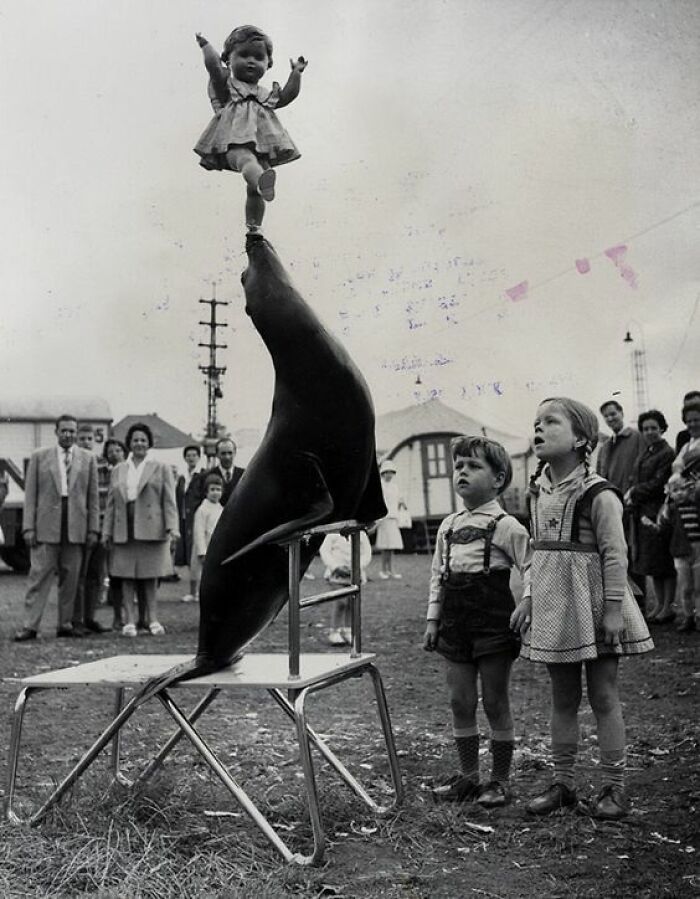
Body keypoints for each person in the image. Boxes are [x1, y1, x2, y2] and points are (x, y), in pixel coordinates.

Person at [512, 397, 653, 820]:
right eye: (536, 422)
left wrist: (613, 608)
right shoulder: (538, 492)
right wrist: (529, 597)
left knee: (604, 695)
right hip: (555, 608)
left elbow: (615, 554)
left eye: (551, 422)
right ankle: (564, 784)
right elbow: (537, 553)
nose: (539, 428)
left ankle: (615, 787)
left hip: (594, 606)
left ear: (581, 440)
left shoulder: (599, 493)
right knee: (563, 697)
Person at [424, 436, 532, 809]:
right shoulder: (448, 526)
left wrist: (528, 601)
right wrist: (433, 619)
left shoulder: (507, 525)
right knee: (460, 700)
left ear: (498, 479)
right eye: (458, 466)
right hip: (454, 623)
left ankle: (499, 781)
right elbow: (438, 575)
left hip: (493, 624)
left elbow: (532, 567)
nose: (463, 472)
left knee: (495, 701)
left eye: (473, 466)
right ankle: (469, 777)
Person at [194, 26, 307, 233]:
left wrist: (296, 73)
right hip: (233, 141)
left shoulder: (264, 94)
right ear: (228, 59)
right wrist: (205, 46)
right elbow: (213, 67)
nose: (251, 61)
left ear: (268, 63)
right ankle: (261, 182)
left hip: (260, 145)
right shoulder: (230, 86)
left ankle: (254, 229)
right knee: (246, 161)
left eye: (258, 57)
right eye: (243, 55)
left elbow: (287, 96)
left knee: (254, 189)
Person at [14, 414, 99, 641]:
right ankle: (30, 626)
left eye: (72, 431)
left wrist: (93, 529)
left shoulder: (88, 459)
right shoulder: (40, 457)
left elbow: (92, 498)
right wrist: (28, 527)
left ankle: (65, 624)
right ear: (56, 432)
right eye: (64, 430)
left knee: (71, 578)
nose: (68, 434)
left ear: (76, 433)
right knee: (39, 577)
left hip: (76, 527)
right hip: (45, 526)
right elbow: (30, 496)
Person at [102, 423, 179, 637]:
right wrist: (106, 532)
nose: (139, 444)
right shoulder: (119, 469)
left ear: (149, 443)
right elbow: (111, 503)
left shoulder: (161, 467)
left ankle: (152, 619)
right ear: (129, 443)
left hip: (151, 528)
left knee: (150, 576)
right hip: (124, 527)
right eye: (135, 440)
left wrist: (172, 527)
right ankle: (129, 621)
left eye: (143, 440)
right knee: (126, 575)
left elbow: (169, 501)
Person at [624, 411, 676, 623]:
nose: (649, 432)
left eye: (654, 428)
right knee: (653, 562)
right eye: (645, 429)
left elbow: (658, 483)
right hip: (644, 511)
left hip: (658, 512)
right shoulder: (647, 451)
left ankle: (668, 607)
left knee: (664, 561)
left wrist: (634, 492)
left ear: (662, 428)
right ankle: (659, 606)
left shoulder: (667, 453)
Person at [69, 424, 111, 634]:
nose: (86, 442)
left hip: (101, 526)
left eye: (89, 439)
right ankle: (76, 619)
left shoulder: (103, 464)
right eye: (82, 439)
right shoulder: (73, 464)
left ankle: (90, 617)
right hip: (81, 528)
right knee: (78, 574)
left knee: (96, 574)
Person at [641, 474, 697, 633]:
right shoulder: (671, 510)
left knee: (698, 586)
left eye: (683, 489)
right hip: (681, 552)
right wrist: (650, 524)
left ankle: (698, 616)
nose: (680, 493)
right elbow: (663, 529)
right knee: (686, 587)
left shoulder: (695, 506)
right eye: (675, 490)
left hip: (697, 551)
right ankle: (688, 616)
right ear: (670, 493)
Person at [320, 530, 373, 646]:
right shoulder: (333, 533)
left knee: (351, 603)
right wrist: (335, 566)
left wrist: (357, 566)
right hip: (336, 575)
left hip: (354, 574)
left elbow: (367, 553)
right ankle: (334, 631)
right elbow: (325, 551)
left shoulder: (360, 533)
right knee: (341, 602)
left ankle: (347, 629)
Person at [175, 444, 205, 602]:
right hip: (183, 519)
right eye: (188, 455)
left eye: (194, 455)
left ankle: (199, 591)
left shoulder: (202, 475)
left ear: (198, 457)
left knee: (197, 553)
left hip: (197, 519)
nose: (191, 458)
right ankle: (192, 591)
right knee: (187, 554)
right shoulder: (182, 477)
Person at [190, 473, 224, 594]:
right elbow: (198, 530)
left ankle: (210, 592)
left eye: (218, 490)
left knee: (213, 572)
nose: (215, 493)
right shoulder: (202, 509)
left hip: (216, 545)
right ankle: (194, 593)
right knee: (198, 571)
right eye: (212, 489)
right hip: (204, 544)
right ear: (206, 492)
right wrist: (202, 551)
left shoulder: (221, 509)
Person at [376, 459, 404, 579]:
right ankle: (383, 570)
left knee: (392, 546)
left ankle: (391, 570)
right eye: (387, 472)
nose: (390, 475)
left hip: (393, 518)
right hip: (384, 519)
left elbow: (398, 501)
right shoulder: (380, 486)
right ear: (383, 473)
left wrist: (401, 504)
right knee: (385, 546)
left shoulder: (395, 487)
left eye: (392, 472)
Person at [212, 438, 245, 505]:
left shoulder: (244, 475)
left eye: (230, 453)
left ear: (235, 453)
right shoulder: (208, 476)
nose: (227, 457)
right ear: (217, 454)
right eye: (223, 453)